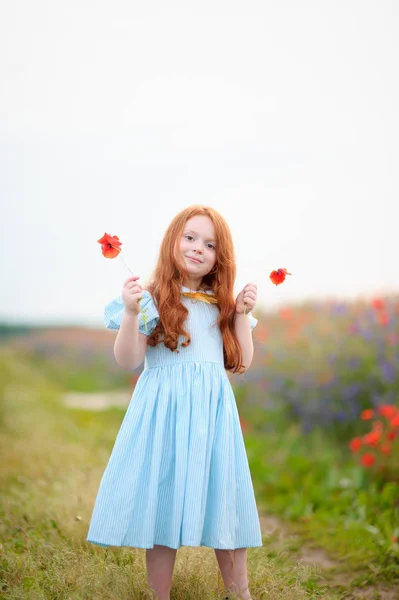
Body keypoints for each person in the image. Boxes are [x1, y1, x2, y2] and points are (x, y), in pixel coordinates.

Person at [86, 205, 263, 600]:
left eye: (210, 244)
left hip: (212, 418)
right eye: (190, 237)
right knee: (162, 505)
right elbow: (129, 360)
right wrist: (131, 313)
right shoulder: (151, 299)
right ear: (172, 241)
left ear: (221, 257)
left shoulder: (223, 306)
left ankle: (240, 593)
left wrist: (242, 315)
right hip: (165, 416)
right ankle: (158, 594)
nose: (198, 248)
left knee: (226, 501)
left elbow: (242, 362)